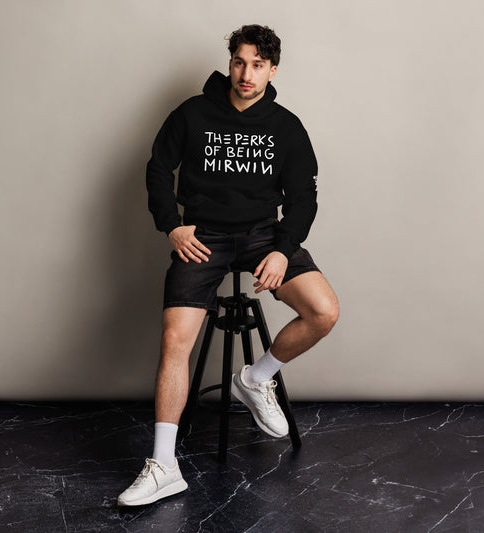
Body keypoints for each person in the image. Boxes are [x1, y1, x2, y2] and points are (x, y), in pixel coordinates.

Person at [117, 24, 339, 507]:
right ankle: (163, 466)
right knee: (175, 340)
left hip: (263, 236)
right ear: (230, 63)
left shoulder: (286, 126)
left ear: (272, 70)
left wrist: (283, 249)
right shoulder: (193, 113)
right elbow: (158, 168)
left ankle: (255, 378)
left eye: (257, 65)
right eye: (240, 62)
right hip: (204, 236)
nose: (246, 73)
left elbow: (303, 197)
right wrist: (172, 226)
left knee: (323, 311)